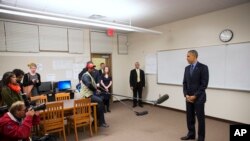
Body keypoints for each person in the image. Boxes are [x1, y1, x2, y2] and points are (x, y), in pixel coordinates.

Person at [181, 50, 209, 141]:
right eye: (187, 56)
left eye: (188, 56)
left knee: (200, 119)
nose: (187, 58)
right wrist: (186, 95)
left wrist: (195, 95)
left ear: (194, 56)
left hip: (199, 98)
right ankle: (191, 134)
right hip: (188, 98)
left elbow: (204, 84)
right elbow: (184, 83)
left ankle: (201, 138)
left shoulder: (203, 67)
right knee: (190, 118)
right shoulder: (187, 68)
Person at [81, 62, 109, 128]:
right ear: (88, 68)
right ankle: (101, 123)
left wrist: (97, 89)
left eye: (93, 67)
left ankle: (96, 121)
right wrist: (95, 90)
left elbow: (92, 84)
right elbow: (88, 84)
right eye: (91, 68)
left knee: (100, 100)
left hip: (90, 94)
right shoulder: (85, 75)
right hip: (87, 96)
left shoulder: (90, 74)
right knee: (100, 101)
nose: (93, 69)